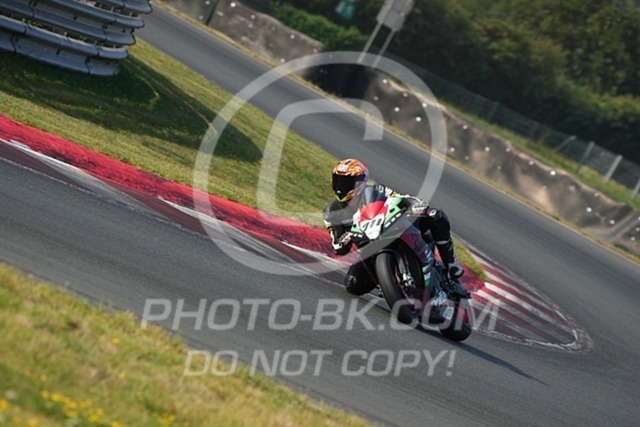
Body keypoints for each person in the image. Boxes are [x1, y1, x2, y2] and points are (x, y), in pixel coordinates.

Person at [322, 158, 464, 304]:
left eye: (346, 182)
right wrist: (345, 239)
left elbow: (400, 198)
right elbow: (339, 247)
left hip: (394, 228)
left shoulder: (378, 190)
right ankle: (388, 282)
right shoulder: (331, 213)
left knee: (436, 216)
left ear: (360, 182)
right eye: (338, 181)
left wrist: (416, 205)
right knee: (353, 284)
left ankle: (451, 262)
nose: (341, 187)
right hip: (368, 247)